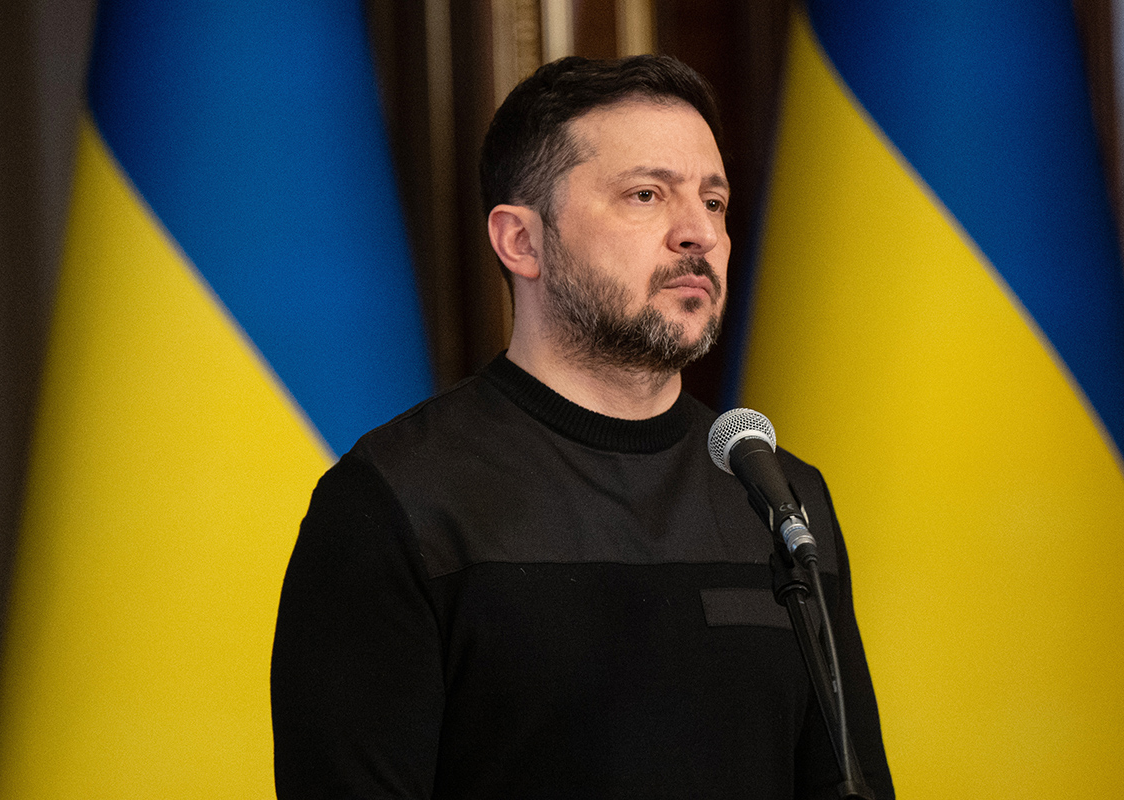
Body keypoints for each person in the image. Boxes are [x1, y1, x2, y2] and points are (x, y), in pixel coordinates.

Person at [270, 54, 894, 799]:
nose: (698, 232)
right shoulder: (396, 503)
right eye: (646, 195)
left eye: (715, 201)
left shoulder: (779, 496)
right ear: (522, 241)